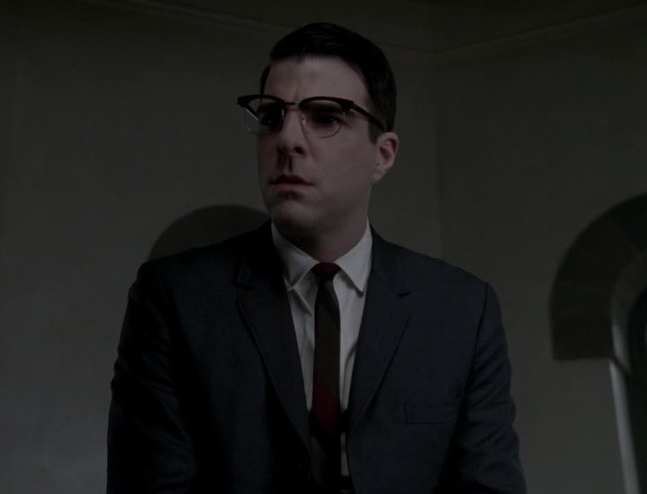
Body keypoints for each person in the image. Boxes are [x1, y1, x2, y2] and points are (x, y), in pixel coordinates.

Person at [108, 22, 526, 493]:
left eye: (325, 117)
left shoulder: (462, 310)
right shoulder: (176, 299)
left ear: (383, 154)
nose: (287, 140)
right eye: (272, 116)